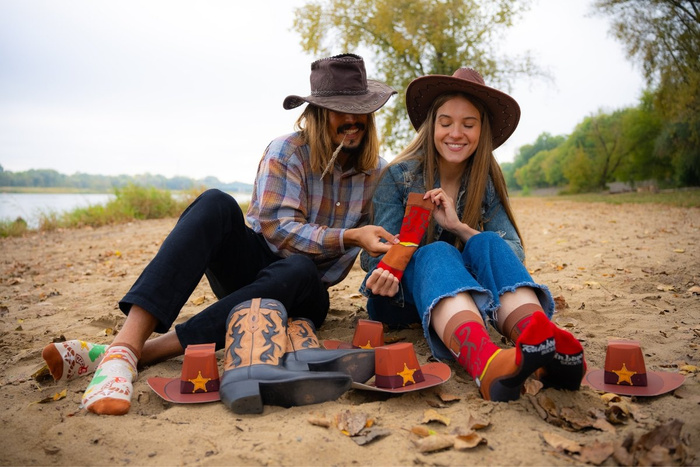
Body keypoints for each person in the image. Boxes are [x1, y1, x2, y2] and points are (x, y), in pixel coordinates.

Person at [43, 53, 398, 415]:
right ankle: (126, 344)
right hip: (251, 272)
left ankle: (140, 353)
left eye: (361, 111)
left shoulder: (379, 172)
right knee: (215, 202)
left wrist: (385, 253)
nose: (354, 120)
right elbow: (278, 231)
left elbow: (373, 252)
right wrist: (351, 237)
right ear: (317, 113)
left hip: (306, 293)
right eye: (342, 109)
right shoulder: (287, 151)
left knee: (300, 269)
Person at [360, 68, 586, 402]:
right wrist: (403, 253)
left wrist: (459, 228)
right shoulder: (400, 176)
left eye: (469, 124)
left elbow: (513, 251)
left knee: (488, 241)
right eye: (446, 122)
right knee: (439, 252)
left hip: (472, 298)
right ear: (432, 126)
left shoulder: (487, 179)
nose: (456, 133)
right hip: (402, 300)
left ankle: (541, 347)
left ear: (482, 131)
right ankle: (486, 362)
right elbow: (372, 256)